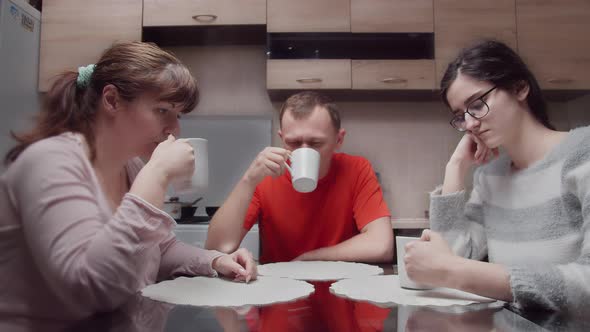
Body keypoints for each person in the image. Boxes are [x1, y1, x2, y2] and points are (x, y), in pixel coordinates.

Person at [0, 42, 256, 320]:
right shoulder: (50, 161)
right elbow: (90, 290)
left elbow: (160, 249)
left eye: (177, 114)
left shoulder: (130, 166)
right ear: (111, 100)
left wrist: (215, 261)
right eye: (162, 110)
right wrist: (157, 173)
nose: (175, 128)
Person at [403, 40, 590, 314]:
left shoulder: (582, 154)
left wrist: (455, 270)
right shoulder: (490, 177)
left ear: (519, 87)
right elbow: (454, 258)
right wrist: (455, 167)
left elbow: (454, 269)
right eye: (460, 116)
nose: (470, 124)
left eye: (477, 104)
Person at [206, 91, 393, 263]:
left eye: (316, 143)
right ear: (282, 138)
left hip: (340, 289)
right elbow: (216, 248)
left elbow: (381, 245)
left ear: (338, 140)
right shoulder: (266, 176)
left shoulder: (356, 169)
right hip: (280, 291)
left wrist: (310, 259)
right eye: (293, 143)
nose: (304, 151)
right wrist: (248, 180)